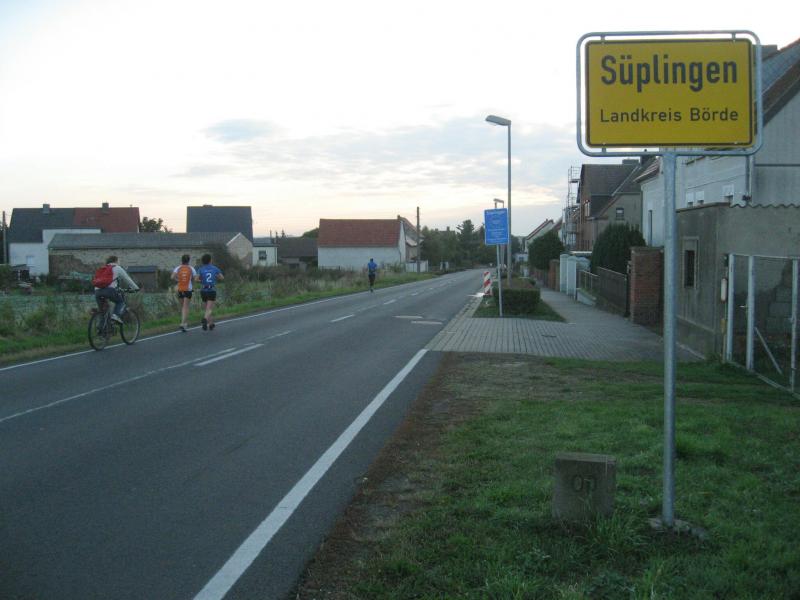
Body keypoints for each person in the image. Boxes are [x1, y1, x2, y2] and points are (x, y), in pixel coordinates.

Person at [94, 255, 139, 323]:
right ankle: (115, 315)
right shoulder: (117, 267)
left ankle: (101, 327)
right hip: (109, 291)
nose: (119, 262)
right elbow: (127, 279)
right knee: (120, 302)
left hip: (97, 291)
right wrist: (136, 288)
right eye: (119, 260)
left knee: (103, 312)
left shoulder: (102, 268)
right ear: (116, 261)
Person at [196, 253, 224, 331]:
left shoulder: (200, 269)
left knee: (207, 308)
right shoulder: (214, 268)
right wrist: (215, 276)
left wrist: (202, 280)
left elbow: (196, 279)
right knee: (210, 308)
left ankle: (211, 324)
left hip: (203, 290)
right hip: (211, 290)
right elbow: (222, 278)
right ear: (210, 260)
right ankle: (205, 319)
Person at [171, 254, 197, 332]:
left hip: (180, 289)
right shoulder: (191, 268)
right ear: (188, 260)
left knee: (183, 307)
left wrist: (178, 280)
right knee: (185, 307)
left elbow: (172, 277)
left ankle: (185, 324)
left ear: (182, 260)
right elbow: (195, 278)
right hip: (188, 289)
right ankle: (183, 323)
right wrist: (191, 281)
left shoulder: (178, 268)